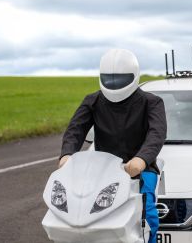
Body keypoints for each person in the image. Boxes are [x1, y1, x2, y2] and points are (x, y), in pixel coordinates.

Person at [59, 48, 167, 243]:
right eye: (109, 78)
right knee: (91, 215)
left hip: (140, 169)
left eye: (120, 79)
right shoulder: (93, 101)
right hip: (101, 169)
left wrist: (141, 159)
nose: (115, 83)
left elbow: (156, 134)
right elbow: (76, 129)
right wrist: (67, 154)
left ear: (134, 76)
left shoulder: (152, 102)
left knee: (147, 212)